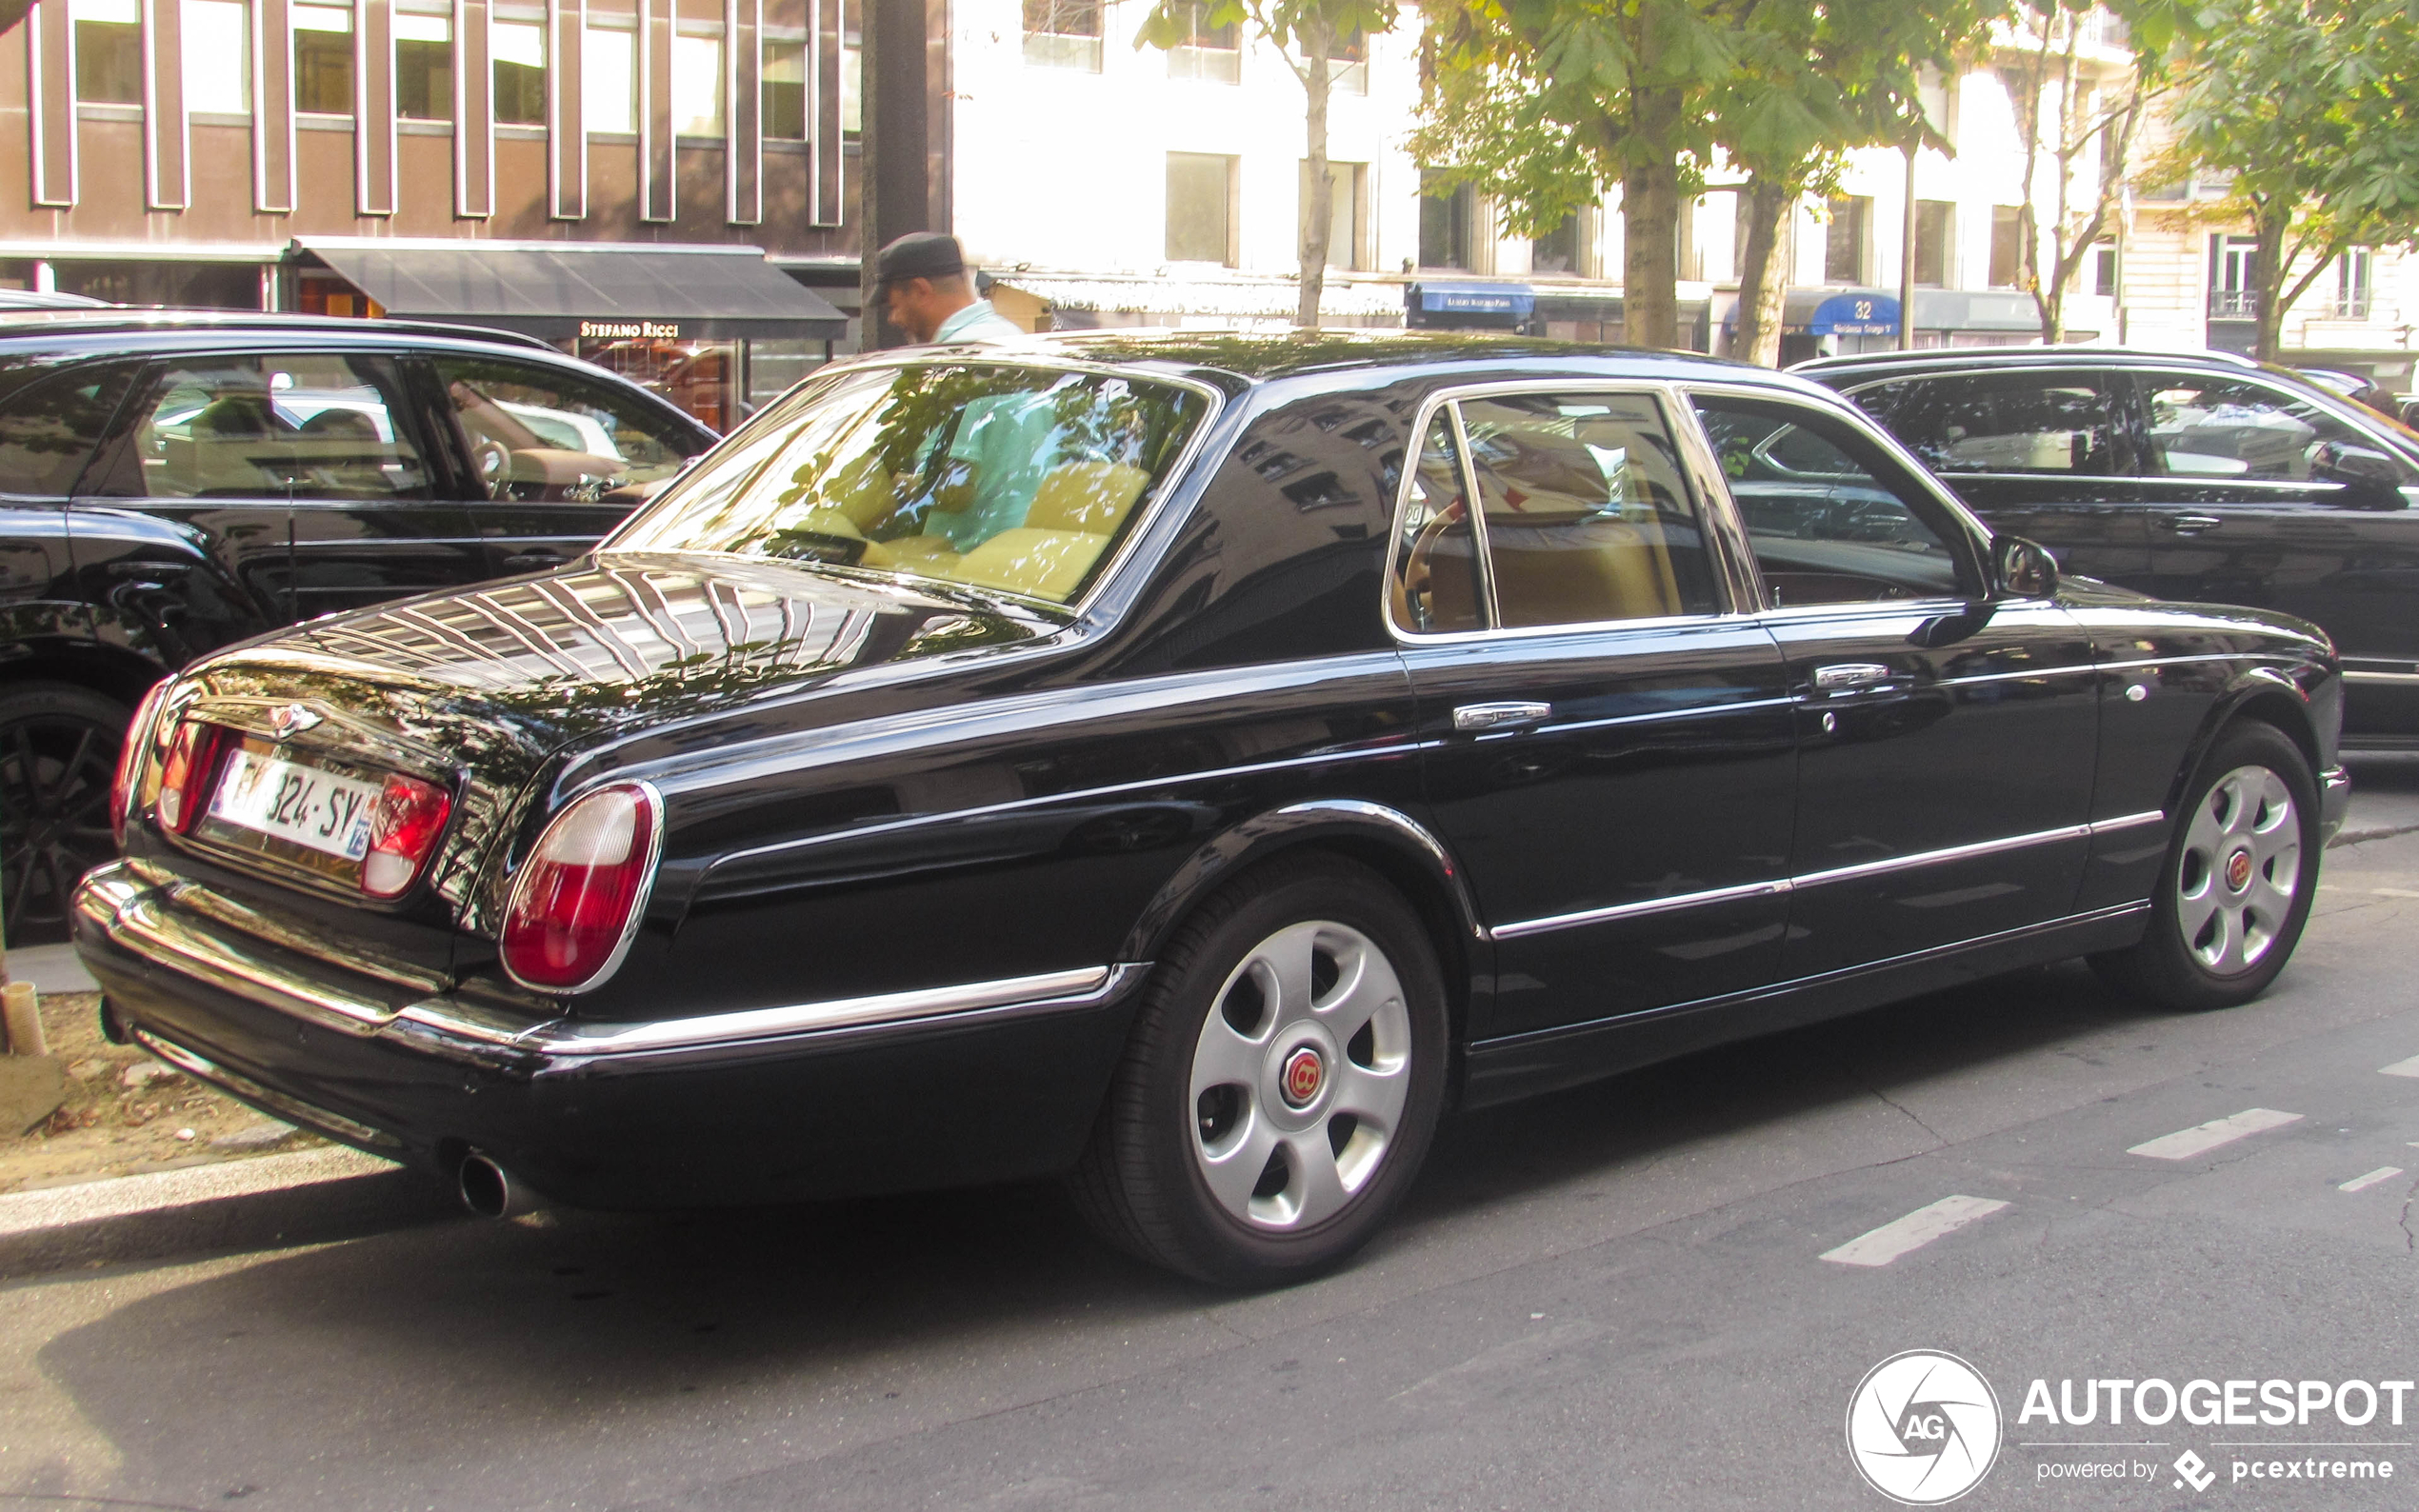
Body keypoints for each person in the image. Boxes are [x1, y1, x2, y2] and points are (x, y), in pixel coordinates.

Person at [875, 233, 1028, 346]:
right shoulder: (1011, 334)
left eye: (893, 307)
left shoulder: (956, 356)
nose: (892, 319)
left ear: (920, 290)